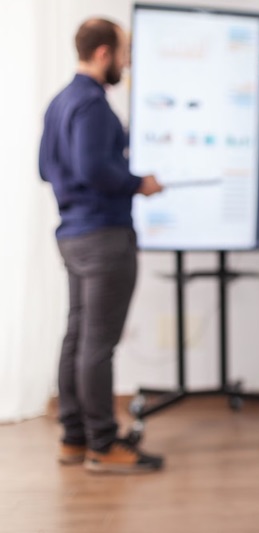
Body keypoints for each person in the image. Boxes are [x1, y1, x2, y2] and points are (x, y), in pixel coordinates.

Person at [39, 18, 164, 473]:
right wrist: (139, 183)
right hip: (104, 236)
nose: (128, 61)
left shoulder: (59, 102)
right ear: (104, 53)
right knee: (96, 345)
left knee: (77, 337)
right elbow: (94, 168)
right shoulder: (92, 103)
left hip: (72, 234)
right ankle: (103, 444)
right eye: (125, 51)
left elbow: (45, 168)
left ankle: (74, 439)